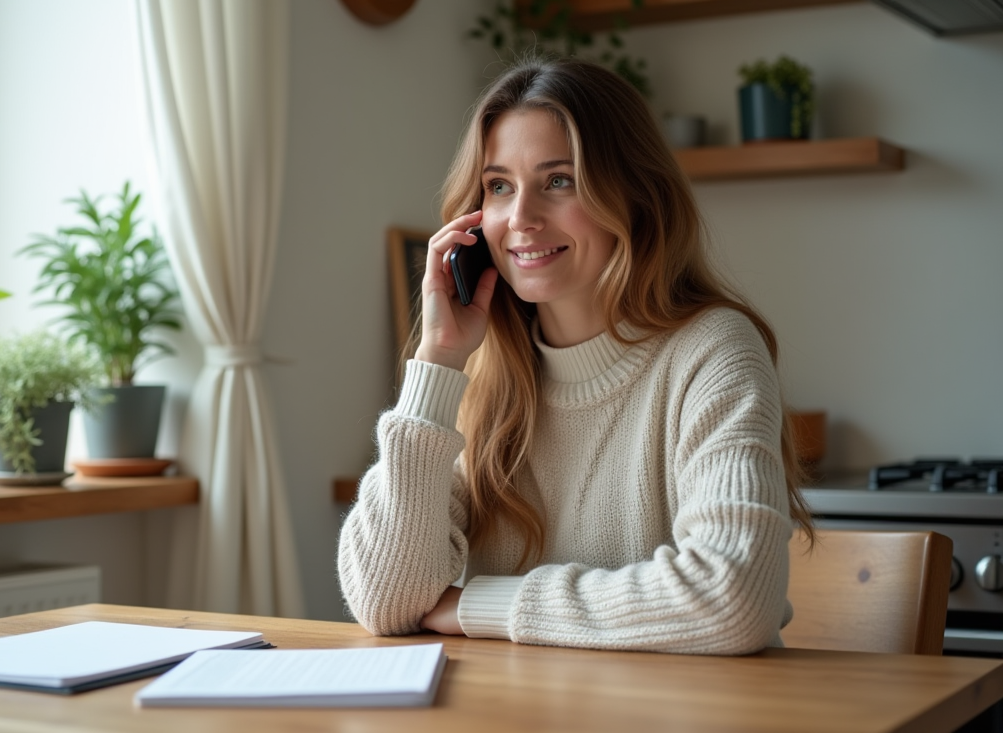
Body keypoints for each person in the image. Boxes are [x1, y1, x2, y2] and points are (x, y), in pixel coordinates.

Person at [337, 56, 813, 655]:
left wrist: (477, 604)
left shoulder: (712, 351)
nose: (521, 219)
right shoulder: (485, 378)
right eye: (499, 186)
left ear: (635, 195)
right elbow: (385, 599)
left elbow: (732, 600)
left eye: (559, 180)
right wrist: (437, 363)